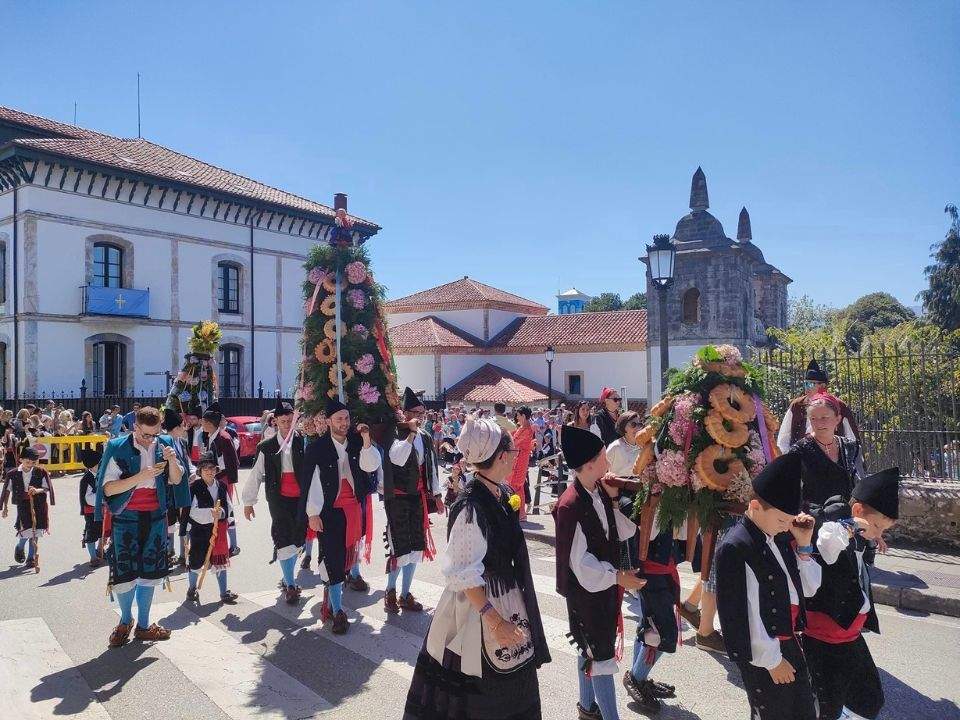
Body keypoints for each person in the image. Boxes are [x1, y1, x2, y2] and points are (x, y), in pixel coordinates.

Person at [403, 415, 551, 719]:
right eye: (512, 451)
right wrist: (495, 622)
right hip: (479, 607)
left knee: (516, 686)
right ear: (500, 457)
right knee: (481, 692)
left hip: (508, 597)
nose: (516, 457)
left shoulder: (500, 492)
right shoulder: (471, 507)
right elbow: (462, 573)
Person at [715, 453, 822, 720]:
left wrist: (804, 547)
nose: (786, 527)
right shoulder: (735, 547)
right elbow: (742, 614)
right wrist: (772, 661)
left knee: (803, 713)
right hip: (765, 652)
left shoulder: (778, 537)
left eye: (789, 520)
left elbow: (807, 590)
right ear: (755, 506)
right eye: (781, 520)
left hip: (789, 643)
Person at [554, 424, 647, 720]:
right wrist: (618, 577)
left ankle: (586, 707)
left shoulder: (598, 491)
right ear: (591, 464)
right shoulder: (570, 505)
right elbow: (581, 565)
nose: (609, 462)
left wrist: (615, 499)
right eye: (604, 457)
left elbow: (623, 532)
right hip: (587, 593)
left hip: (602, 589)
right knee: (600, 654)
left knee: (589, 649)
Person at [802, 467, 900, 720]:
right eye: (877, 526)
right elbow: (827, 546)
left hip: (850, 634)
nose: (878, 533)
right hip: (825, 638)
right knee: (827, 706)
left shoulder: (858, 534)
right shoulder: (835, 527)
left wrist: (872, 534)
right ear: (857, 511)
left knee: (870, 699)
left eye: (883, 530)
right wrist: (852, 525)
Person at [95, 406, 191, 648]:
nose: (150, 439)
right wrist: (140, 476)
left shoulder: (165, 443)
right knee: (125, 572)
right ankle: (125, 621)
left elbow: (177, 479)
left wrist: (172, 460)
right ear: (135, 427)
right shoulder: (117, 446)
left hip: (156, 516)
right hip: (126, 516)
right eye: (145, 434)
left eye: (154, 434)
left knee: (150, 571)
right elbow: (108, 489)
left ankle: (144, 625)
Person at [302, 397, 382, 634]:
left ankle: (334, 598)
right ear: (328, 421)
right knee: (332, 559)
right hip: (329, 512)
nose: (344, 423)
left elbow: (371, 466)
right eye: (339, 419)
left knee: (346, 558)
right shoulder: (317, 448)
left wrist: (366, 440)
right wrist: (312, 514)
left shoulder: (357, 442)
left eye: (346, 418)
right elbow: (312, 483)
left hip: (353, 510)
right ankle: (337, 611)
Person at [383, 388, 444, 615]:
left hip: (417, 497)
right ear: (406, 413)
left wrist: (437, 496)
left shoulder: (426, 437)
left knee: (416, 546)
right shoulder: (395, 433)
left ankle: (405, 594)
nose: (421, 417)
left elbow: (431, 468)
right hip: (397, 498)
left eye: (422, 413)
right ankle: (390, 591)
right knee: (400, 547)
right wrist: (409, 432)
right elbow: (396, 458)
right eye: (416, 413)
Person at [242, 402, 309, 604]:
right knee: (282, 537)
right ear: (276, 422)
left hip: (301, 499)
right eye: (283, 421)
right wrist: (248, 502)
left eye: (289, 420)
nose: (287, 424)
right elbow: (256, 474)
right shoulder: (266, 446)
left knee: (298, 539)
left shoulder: (303, 442)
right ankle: (290, 585)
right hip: (278, 499)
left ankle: (288, 578)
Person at [786, 393, 864, 509]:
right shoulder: (798, 451)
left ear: (838, 419)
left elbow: (861, 485)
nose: (819, 423)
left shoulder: (851, 447)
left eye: (824, 417)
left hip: (847, 516)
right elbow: (790, 491)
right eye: (813, 418)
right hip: (813, 517)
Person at [186, 452, 237, 605]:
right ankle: (192, 589)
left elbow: (228, 506)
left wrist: (220, 513)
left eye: (212, 468)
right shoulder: (194, 487)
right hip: (199, 530)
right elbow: (192, 512)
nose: (210, 471)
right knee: (196, 560)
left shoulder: (221, 486)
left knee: (220, 560)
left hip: (218, 530)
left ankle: (224, 592)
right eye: (206, 468)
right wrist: (210, 513)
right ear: (200, 471)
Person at [777, 360, 860, 454]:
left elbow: (851, 438)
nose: (807, 388)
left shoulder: (840, 406)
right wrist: (789, 459)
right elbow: (784, 438)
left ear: (822, 385)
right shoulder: (796, 405)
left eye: (810, 384)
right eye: (805, 384)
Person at [0, 446, 54, 569]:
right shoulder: (13, 474)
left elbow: (46, 488)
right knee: (26, 529)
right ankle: (20, 547)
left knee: (36, 531)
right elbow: (7, 490)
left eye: (33, 462)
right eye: (27, 461)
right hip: (23, 504)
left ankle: (31, 558)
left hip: (39, 503)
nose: (30, 465)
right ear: (21, 460)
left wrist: (37, 490)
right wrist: (5, 507)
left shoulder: (40, 472)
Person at [200, 403, 241, 555]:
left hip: (223, 479)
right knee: (218, 511)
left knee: (227, 510)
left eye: (204, 421)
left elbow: (233, 461)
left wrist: (217, 469)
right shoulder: (211, 436)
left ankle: (234, 545)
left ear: (210, 423)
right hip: (216, 478)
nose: (201, 423)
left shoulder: (224, 437)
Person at [162, 408, 195, 567]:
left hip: (184, 488)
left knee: (184, 521)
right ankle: (169, 552)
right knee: (169, 521)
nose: (184, 428)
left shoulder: (182, 442)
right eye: (182, 426)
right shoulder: (162, 443)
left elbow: (188, 462)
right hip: (169, 489)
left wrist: (193, 472)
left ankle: (184, 554)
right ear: (176, 428)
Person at [508, 406, 536, 520]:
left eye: (518, 415)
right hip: (517, 459)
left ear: (523, 416)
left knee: (516, 485)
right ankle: (520, 513)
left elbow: (514, 442)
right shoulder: (523, 428)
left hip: (520, 461)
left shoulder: (527, 430)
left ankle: (518, 513)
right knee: (517, 486)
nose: (517, 417)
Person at [78, 447, 104, 567]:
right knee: (92, 533)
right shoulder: (86, 479)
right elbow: (88, 498)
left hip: (104, 509)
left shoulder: (103, 475)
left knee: (104, 531)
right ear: (92, 466)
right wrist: (103, 499)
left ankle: (100, 550)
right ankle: (93, 557)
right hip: (91, 510)